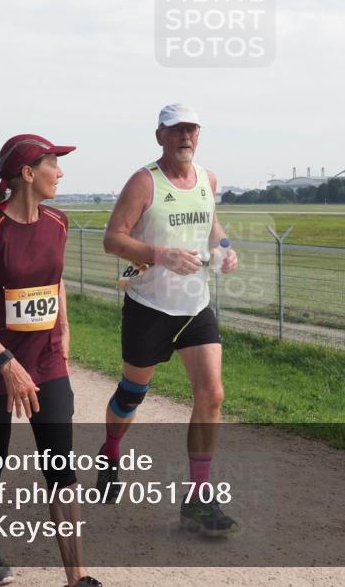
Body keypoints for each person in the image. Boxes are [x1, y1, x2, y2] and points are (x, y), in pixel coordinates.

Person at [0, 134, 100, 587]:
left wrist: (64, 337)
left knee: (61, 463)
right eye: (54, 164)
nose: (61, 173)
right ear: (27, 174)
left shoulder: (58, 222)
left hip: (47, 362)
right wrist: (5, 363)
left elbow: (54, 285)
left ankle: (77, 577)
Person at [98, 103, 239, 537]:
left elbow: (212, 224)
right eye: (176, 130)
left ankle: (197, 499)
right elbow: (112, 239)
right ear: (160, 136)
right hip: (148, 306)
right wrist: (161, 255)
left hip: (195, 305)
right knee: (132, 394)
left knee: (212, 394)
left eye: (192, 130)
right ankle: (112, 451)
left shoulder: (208, 180)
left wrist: (226, 248)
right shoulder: (145, 182)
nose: (185, 137)